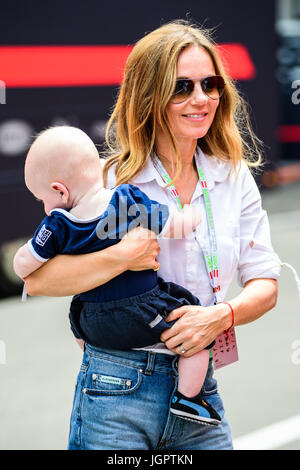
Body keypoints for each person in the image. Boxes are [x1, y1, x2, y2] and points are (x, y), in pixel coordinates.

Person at [23, 20, 281, 450]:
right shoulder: (107, 181)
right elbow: (38, 279)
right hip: (115, 386)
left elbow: (266, 283)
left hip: (197, 388)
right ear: (150, 96)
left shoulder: (233, 176)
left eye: (210, 84)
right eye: (182, 87)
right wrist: (122, 257)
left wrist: (222, 316)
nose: (201, 99)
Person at [13, 125, 221, 426]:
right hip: (141, 313)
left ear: (60, 190)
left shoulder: (56, 224)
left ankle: (94, 356)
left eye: (41, 199)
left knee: (78, 321)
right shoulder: (125, 200)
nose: (46, 208)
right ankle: (188, 398)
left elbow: (25, 263)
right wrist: (192, 214)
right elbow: (175, 226)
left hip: (90, 322)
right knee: (196, 333)